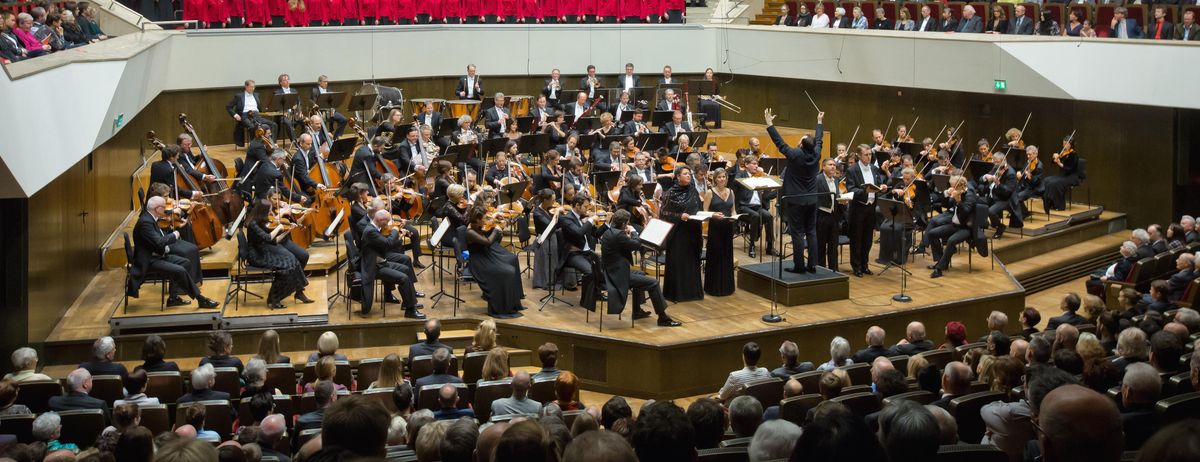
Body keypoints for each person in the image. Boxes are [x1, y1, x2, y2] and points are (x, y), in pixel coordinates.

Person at [763, 108, 824, 273]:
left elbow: (779, 143)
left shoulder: (795, 154)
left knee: (797, 233)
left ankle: (799, 266)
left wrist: (769, 124)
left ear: (802, 145)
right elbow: (819, 140)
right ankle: (812, 265)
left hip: (796, 200)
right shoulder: (816, 154)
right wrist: (819, 122)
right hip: (812, 199)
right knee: (811, 232)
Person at [129, 196, 218, 308]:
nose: (166, 209)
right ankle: (200, 299)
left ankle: (173, 298)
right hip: (148, 260)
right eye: (163, 207)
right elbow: (159, 242)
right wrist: (174, 235)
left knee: (185, 262)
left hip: (157, 255)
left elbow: (156, 241)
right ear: (157, 209)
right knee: (179, 270)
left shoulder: (150, 218)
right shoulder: (145, 223)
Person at [244, 200, 309, 308]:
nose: (271, 214)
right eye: (269, 211)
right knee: (287, 267)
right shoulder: (253, 224)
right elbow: (267, 237)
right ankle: (274, 299)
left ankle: (291, 293)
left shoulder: (260, 222)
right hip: (257, 256)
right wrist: (279, 227)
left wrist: (287, 231)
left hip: (263, 251)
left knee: (293, 261)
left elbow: (274, 241)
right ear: (262, 211)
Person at [359, 210, 424, 319]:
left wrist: (398, 234)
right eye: (387, 221)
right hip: (374, 267)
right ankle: (410, 310)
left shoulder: (376, 227)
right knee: (403, 278)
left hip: (381, 262)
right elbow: (387, 243)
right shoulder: (370, 231)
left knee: (406, 269)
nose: (389, 224)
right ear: (380, 220)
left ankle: (408, 302)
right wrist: (395, 230)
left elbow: (385, 243)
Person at [466, 206, 525, 318]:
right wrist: (497, 230)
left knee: (511, 265)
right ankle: (501, 307)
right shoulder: (470, 232)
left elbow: (490, 238)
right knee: (507, 272)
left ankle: (512, 303)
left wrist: (494, 224)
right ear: (477, 219)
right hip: (478, 261)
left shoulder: (478, 226)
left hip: (486, 255)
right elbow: (488, 242)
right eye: (484, 218)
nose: (485, 220)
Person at [659, 166, 704, 302]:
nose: (689, 176)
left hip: (692, 229)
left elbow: (698, 208)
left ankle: (693, 292)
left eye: (689, 174)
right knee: (678, 262)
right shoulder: (670, 193)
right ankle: (676, 293)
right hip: (677, 233)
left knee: (692, 260)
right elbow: (663, 213)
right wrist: (679, 216)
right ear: (678, 177)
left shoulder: (693, 190)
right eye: (685, 174)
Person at [844, 144, 888, 277]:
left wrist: (882, 187)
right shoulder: (852, 170)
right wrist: (865, 190)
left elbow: (879, 184)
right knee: (856, 239)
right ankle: (856, 266)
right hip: (858, 208)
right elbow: (851, 189)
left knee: (868, 239)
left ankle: (864, 265)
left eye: (870, 154)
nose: (869, 157)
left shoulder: (874, 169)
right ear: (859, 155)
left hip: (871, 208)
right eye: (866, 155)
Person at [927, 175, 975, 278]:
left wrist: (958, 201)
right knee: (932, 233)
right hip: (954, 225)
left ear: (961, 186)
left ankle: (939, 269)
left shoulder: (970, 196)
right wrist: (946, 194)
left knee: (951, 241)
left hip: (966, 228)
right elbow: (946, 205)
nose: (952, 188)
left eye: (954, 186)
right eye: (951, 186)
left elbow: (965, 212)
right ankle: (940, 260)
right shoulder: (956, 192)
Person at [733, 155, 776, 258]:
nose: (756, 166)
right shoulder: (740, 175)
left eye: (757, 164)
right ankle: (752, 245)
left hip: (757, 206)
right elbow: (736, 182)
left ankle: (770, 246)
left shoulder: (759, 176)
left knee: (768, 217)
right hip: (744, 206)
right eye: (754, 164)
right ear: (746, 165)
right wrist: (754, 178)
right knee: (755, 216)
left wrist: (766, 180)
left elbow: (766, 195)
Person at [701, 168, 736, 296]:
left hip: (727, 227)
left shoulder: (731, 192)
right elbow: (704, 211)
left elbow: (733, 210)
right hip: (715, 228)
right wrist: (713, 215)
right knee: (716, 255)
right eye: (719, 177)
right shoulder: (710, 193)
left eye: (724, 177)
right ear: (715, 179)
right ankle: (714, 287)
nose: (722, 179)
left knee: (727, 256)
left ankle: (727, 287)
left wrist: (734, 217)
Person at [977, 152, 1021, 239]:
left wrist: (998, 183)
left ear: (1003, 160)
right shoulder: (996, 167)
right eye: (994, 160)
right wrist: (985, 176)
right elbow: (980, 179)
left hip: (1005, 199)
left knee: (991, 211)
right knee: (976, 201)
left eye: (996, 161)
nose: (994, 163)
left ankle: (1000, 226)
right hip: (993, 196)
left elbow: (1008, 191)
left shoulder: (1010, 173)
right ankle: (981, 224)